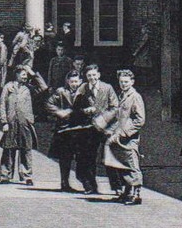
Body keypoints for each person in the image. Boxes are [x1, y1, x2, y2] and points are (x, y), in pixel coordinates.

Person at [101, 69, 146, 205]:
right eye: (121, 82)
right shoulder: (122, 95)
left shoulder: (135, 96)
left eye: (126, 82)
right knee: (122, 166)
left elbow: (140, 120)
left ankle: (136, 195)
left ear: (132, 82)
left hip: (129, 138)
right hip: (118, 137)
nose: (123, 84)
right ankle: (127, 193)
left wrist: (124, 133)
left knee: (132, 165)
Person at [46, 72, 94, 193]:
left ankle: (86, 183)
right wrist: (59, 112)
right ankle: (64, 183)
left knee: (82, 157)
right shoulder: (61, 91)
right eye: (72, 82)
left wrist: (89, 110)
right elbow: (49, 103)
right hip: (65, 130)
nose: (74, 84)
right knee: (65, 158)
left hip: (80, 129)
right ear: (67, 81)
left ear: (80, 81)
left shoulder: (85, 91)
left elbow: (93, 104)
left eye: (76, 81)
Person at [79, 64, 119, 192]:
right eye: (89, 75)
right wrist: (84, 111)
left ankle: (116, 187)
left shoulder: (107, 88)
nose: (92, 78)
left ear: (99, 75)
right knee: (89, 157)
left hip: (106, 128)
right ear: (86, 76)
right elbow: (76, 106)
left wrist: (104, 119)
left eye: (94, 75)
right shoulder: (83, 89)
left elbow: (115, 107)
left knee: (110, 156)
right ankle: (91, 186)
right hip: (89, 128)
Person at [0, 65, 40, 184]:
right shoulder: (8, 87)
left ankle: (27, 176)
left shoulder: (29, 88)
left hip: (25, 123)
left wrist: (32, 73)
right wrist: (4, 121)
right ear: (16, 75)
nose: (25, 77)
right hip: (11, 123)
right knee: (8, 149)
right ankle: (5, 175)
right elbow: (2, 105)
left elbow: (43, 88)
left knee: (26, 149)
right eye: (23, 74)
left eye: (26, 75)